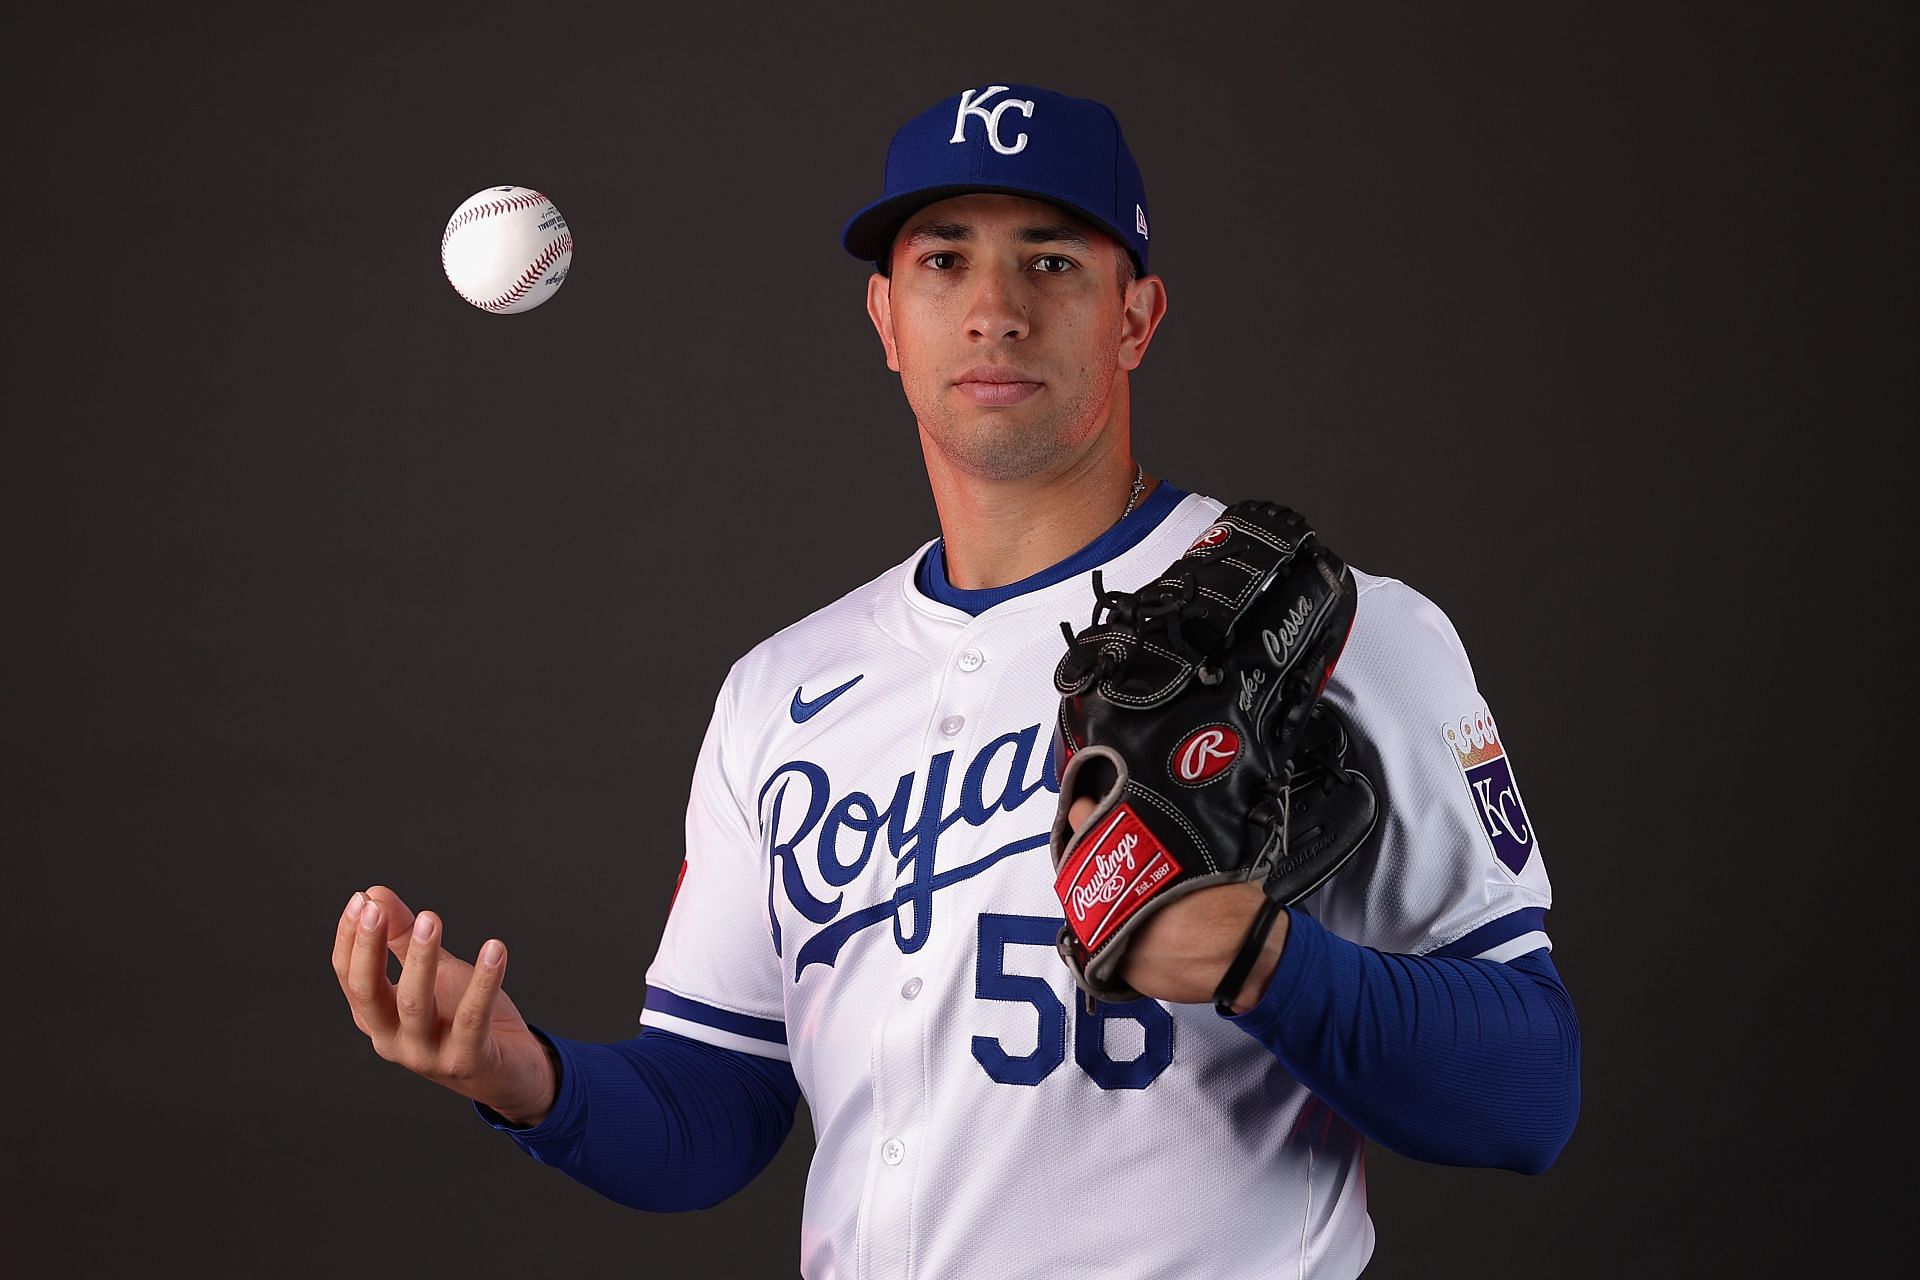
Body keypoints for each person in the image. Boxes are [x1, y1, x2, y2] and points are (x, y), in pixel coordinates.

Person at [331, 83, 1580, 1278]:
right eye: (943, 260)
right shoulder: (779, 689)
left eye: (1051, 259)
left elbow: (1532, 1093)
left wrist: (1266, 964)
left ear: (1136, 316)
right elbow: (714, 1114)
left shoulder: (1339, 629)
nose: (996, 308)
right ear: (886, 321)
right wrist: (526, 1075)